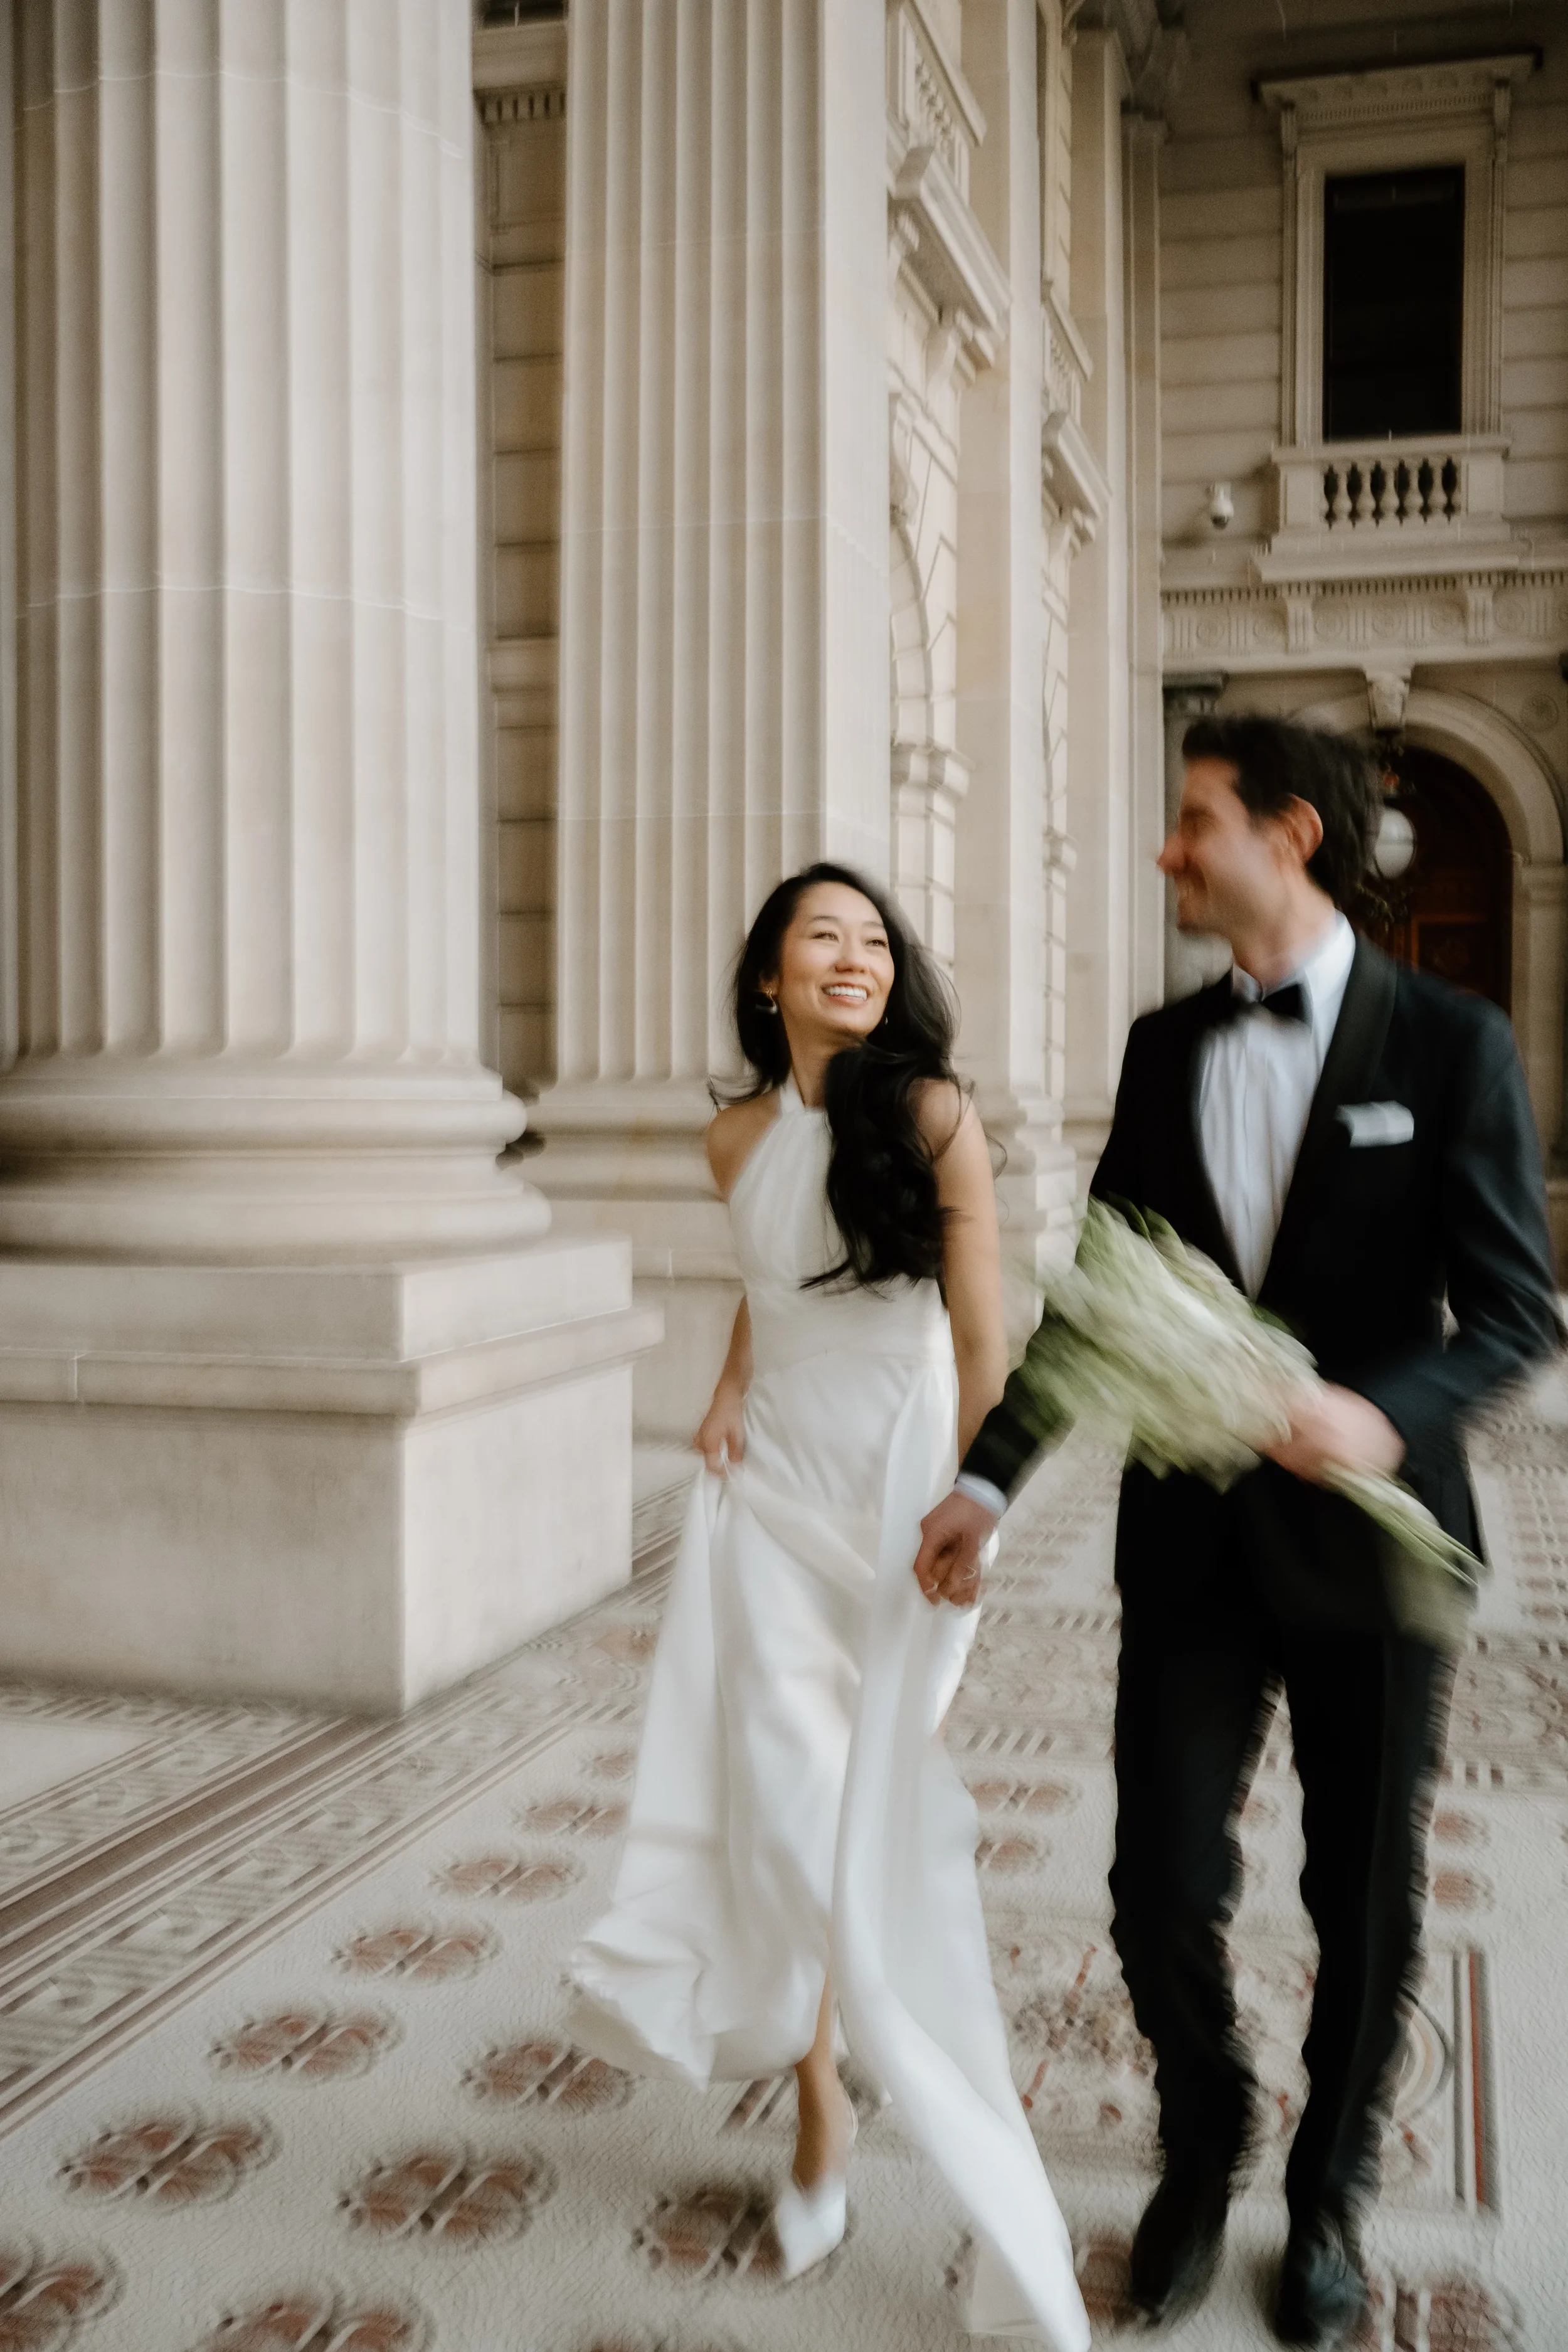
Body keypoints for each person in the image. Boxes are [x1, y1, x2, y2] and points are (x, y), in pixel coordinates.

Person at [914, 719, 1562, 2350]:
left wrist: (1381, 1407)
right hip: (1191, 1542)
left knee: (1364, 1896)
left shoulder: (1451, 1042)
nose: (1163, 850)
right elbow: (1105, 1293)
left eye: (1189, 820)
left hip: (1369, 1542)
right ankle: (1205, 2139)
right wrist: (987, 1477)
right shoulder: (1158, 1048)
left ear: (1287, 831)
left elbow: (1510, 1311)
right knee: (1152, 1883)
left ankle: (1328, 2193)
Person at [569, 863, 1089, 2348]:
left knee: (858, 1820)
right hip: (767, 1505)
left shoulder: (932, 1115)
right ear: (766, 981)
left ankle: (892, 2103)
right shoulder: (730, 1134)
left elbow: (984, 1336)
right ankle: (817, 2106)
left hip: (900, 1504)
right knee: (798, 1817)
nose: (854, 957)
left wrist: (978, 1505)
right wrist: (729, 1390)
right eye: (823, 938)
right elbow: (766, 1277)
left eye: (873, 940)